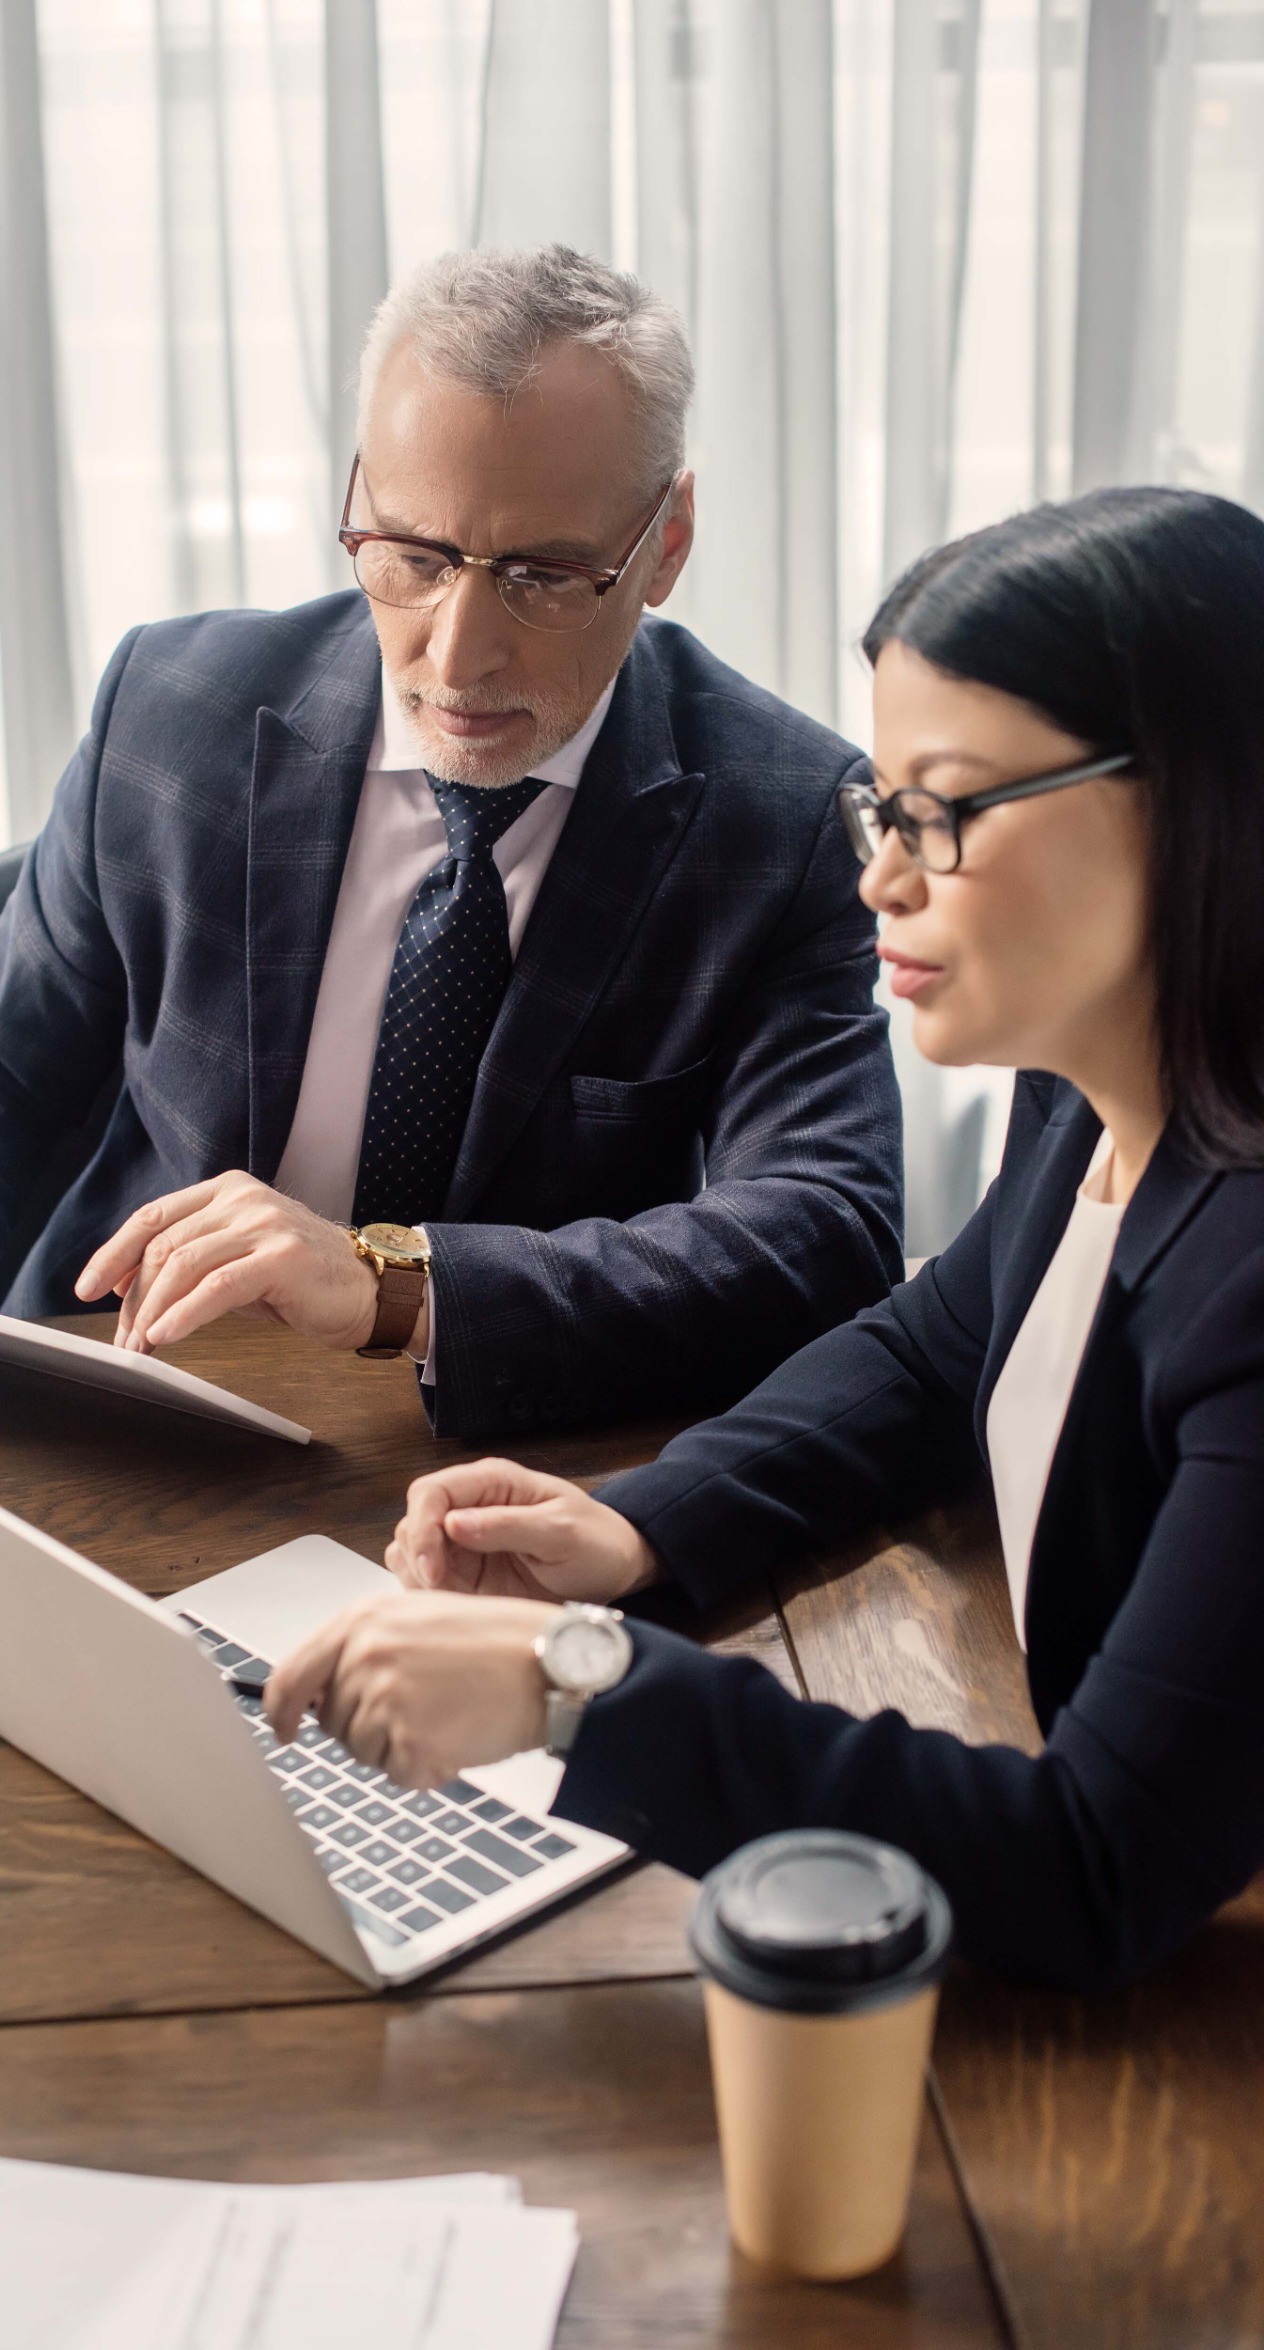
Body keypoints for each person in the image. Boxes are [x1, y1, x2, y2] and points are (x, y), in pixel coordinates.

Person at [266, 485, 1264, 1994]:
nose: (884, 876)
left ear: (1199, 802)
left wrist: (575, 1688)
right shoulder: (1094, 1091)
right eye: (886, 806)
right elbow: (941, 1348)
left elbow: (1091, 1864)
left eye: (947, 810)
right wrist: (646, 1528)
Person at [0, 244, 902, 1440]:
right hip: (134, 1410)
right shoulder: (173, 711)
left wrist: (398, 1284)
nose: (457, 654)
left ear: (665, 544)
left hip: (503, 1453)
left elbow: (825, 1227)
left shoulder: (783, 815)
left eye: (541, 576)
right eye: (413, 558)